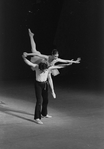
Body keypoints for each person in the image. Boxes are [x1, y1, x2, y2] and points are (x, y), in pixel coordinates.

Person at [23, 29, 81, 98]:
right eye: (55, 56)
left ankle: (53, 91)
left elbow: (65, 60)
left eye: (57, 56)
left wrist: (74, 61)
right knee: (34, 51)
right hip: (43, 64)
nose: (56, 58)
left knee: (49, 78)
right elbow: (38, 55)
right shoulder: (47, 57)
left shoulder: (56, 59)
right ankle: (31, 36)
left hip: (49, 68)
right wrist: (28, 54)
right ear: (52, 55)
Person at [22, 54, 71, 124]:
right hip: (38, 85)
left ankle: (44, 114)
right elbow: (28, 63)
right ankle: (37, 118)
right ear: (40, 68)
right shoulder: (36, 66)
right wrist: (24, 58)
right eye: (43, 70)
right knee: (39, 101)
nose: (45, 71)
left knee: (46, 100)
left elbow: (59, 66)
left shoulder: (48, 68)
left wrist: (68, 64)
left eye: (45, 70)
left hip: (45, 84)